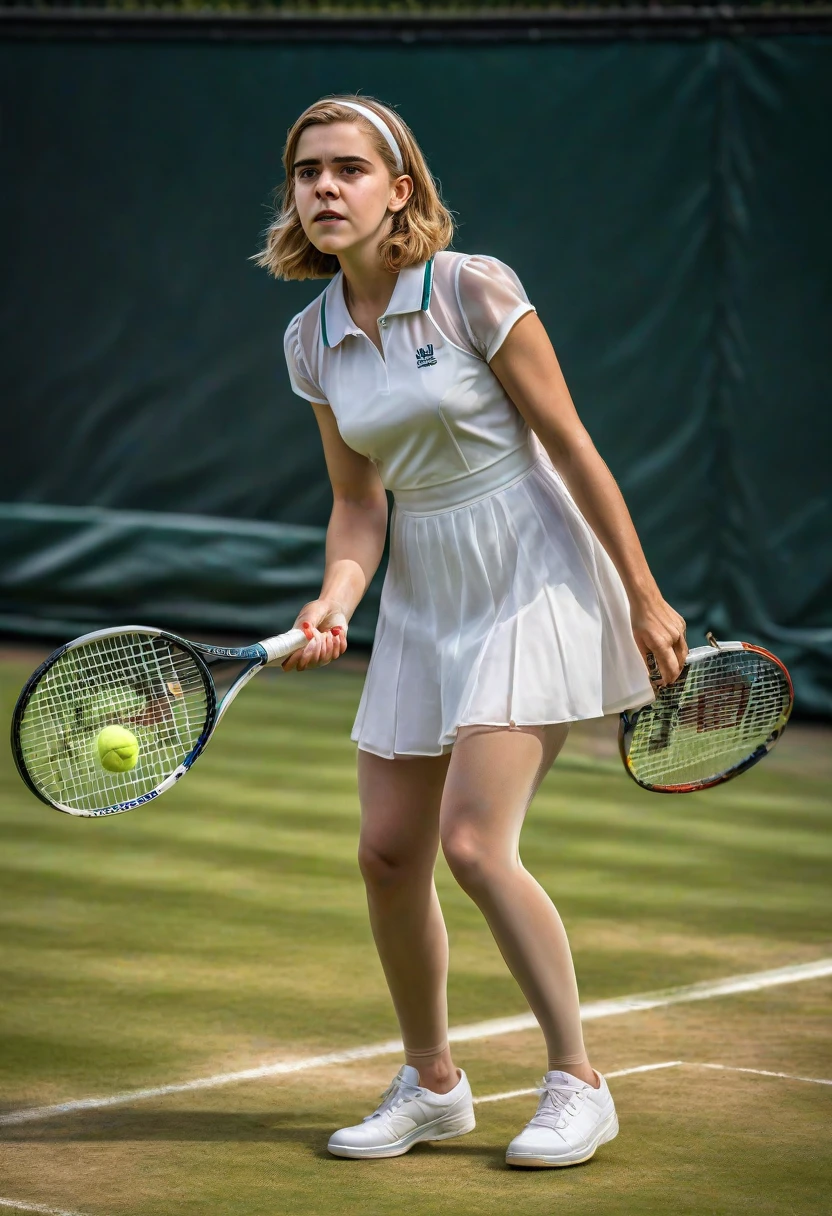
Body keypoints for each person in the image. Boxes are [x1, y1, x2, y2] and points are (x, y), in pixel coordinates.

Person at [254, 94, 686, 1168]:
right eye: (308, 172)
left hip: (533, 567)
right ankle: (434, 1081)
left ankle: (578, 1080)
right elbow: (359, 504)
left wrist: (641, 591)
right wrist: (337, 599)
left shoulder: (471, 288)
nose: (324, 188)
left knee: (472, 844)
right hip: (424, 591)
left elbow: (573, 445)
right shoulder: (310, 339)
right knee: (388, 852)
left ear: (399, 189)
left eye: (349, 169)